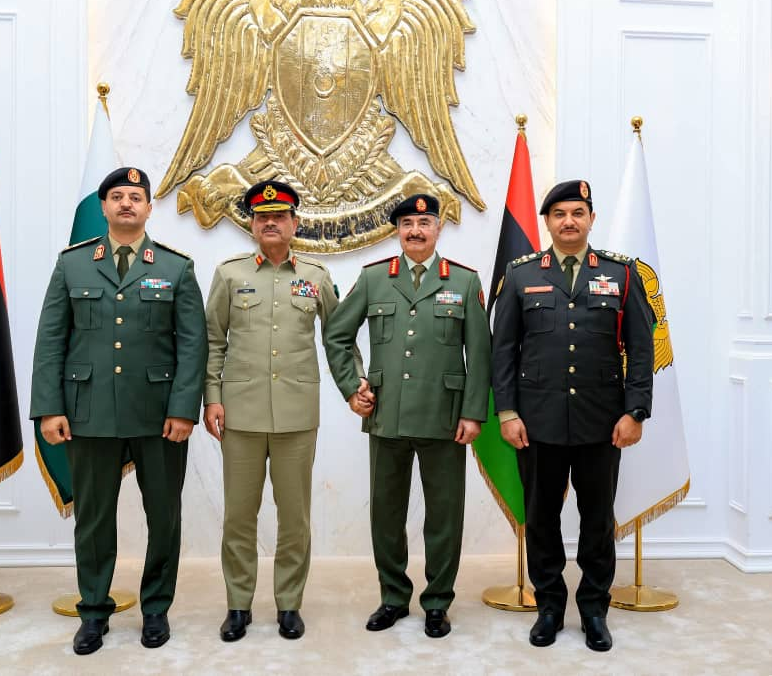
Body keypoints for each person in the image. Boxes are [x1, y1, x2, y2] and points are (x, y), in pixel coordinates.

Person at [30, 167, 207, 655]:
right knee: (93, 518)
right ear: (104, 207)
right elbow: (51, 340)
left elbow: (193, 345)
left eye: (135, 196)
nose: (126, 203)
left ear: (149, 207)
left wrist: (184, 409)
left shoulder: (176, 268)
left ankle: (156, 609)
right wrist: (49, 408)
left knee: (164, 516)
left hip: (159, 415)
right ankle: (93, 611)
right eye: (117, 196)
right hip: (88, 413)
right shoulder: (73, 265)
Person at [490, 179, 654, 652]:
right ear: (547, 221)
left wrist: (636, 411)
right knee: (541, 518)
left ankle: (594, 609)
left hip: (602, 423)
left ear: (591, 219)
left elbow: (641, 349)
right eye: (559, 213)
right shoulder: (521, 274)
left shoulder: (621, 275)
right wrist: (507, 412)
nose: (569, 221)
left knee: (597, 521)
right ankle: (549, 606)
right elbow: (503, 351)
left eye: (577, 213)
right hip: (536, 422)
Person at [324, 194, 491, 639]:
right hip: (387, 414)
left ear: (439, 228)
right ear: (397, 231)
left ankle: (437, 602)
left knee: (444, 516)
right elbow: (337, 334)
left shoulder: (464, 281)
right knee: (386, 513)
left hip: (445, 417)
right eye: (407, 224)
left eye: (424, 222)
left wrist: (473, 413)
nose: (415, 231)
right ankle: (393, 597)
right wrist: (352, 386)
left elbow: (480, 354)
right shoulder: (375, 278)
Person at [203, 181, 360, 642]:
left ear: (295, 223)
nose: (270, 223)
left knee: (294, 519)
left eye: (279, 216)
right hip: (240, 415)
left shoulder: (316, 276)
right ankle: (238, 604)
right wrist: (212, 397)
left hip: (296, 415)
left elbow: (338, 337)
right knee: (238, 517)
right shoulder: (229, 274)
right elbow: (213, 340)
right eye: (261, 216)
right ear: (252, 224)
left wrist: (355, 386)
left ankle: (289, 603)